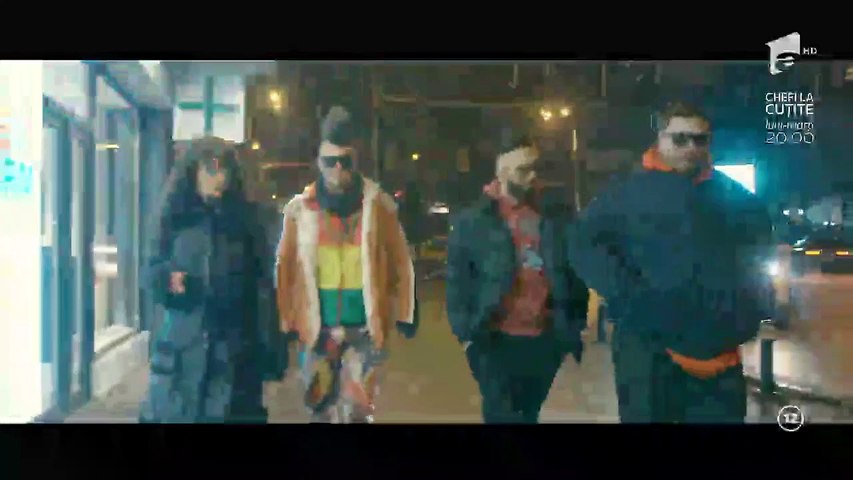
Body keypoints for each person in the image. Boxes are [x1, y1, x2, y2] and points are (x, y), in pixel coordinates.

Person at [566, 102, 775, 423]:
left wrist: (748, 314)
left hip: (718, 357)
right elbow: (582, 245)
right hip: (647, 354)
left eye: (700, 140)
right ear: (660, 138)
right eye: (680, 139)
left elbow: (759, 258)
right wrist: (631, 298)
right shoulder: (624, 195)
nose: (691, 148)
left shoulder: (737, 199)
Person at [274, 106, 417, 423]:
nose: (338, 169)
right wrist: (286, 320)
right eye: (330, 161)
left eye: (346, 161)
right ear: (318, 161)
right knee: (319, 410)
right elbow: (285, 269)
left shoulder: (379, 207)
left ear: (356, 160)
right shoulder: (300, 210)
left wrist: (405, 312)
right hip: (316, 330)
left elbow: (400, 261)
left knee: (359, 413)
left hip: (365, 330)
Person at [446, 135, 588, 424]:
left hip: (544, 341)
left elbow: (575, 273)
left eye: (535, 167)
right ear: (502, 172)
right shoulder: (474, 221)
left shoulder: (556, 217)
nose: (533, 176)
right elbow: (458, 281)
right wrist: (467, 335)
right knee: (503, 415)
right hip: (494, 341)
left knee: (528, 414)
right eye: (523, 169)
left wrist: (571, 329)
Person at [139, 137, 278, 423]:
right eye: (211, 169)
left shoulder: (246, 222)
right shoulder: (173, 217)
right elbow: (150, 271)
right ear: (193, 172)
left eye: (225, 170)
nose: (220, 178)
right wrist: (167, 280)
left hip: (232, 352)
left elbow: (262, 286)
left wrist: (269, 349)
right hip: (181, 350)